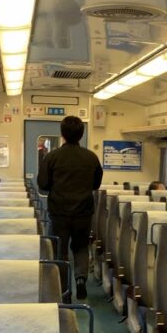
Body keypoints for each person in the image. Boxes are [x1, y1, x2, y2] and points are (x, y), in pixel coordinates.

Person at [36, 116, 102, 300]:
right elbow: (96, 185)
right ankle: (80, 279)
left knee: (61, 251)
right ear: (81, 134)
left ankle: (64, 290)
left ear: (62, 134)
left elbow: (43, 184)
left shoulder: (52, 157)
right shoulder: (91, 157)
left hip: (59, 213)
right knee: (81, 247)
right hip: (83, 212)